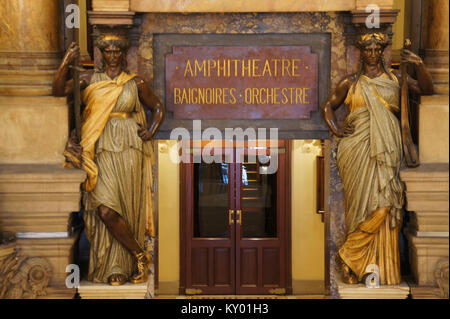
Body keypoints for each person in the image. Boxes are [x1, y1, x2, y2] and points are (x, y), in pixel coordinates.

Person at [321, 32, 433, 285]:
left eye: (376, 50)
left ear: (382, 52)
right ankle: (356, 262)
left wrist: (420, 65)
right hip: (356, 150)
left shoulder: (396, 79)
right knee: (359, 207)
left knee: (384, 205)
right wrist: (337, 130)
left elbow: (427, 90)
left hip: (387, 151)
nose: (372, 54)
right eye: (367, 50)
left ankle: (349, 254)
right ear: (362, 52)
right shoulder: (351, 82)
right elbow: (328, 106)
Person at [52, 34, 165, 286]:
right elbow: (58, 91)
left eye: (117, 51)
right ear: (102, 54)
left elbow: (158, 108)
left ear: (123, 54)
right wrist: (64, 64)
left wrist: (151, 130)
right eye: (108, 51)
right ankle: (139, 254)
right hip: (100, 146)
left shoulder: (135, 83)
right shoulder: (89, 79)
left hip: (130, 150)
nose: (112, 55)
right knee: (105, 209)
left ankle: (121, 267)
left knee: (127, 207)